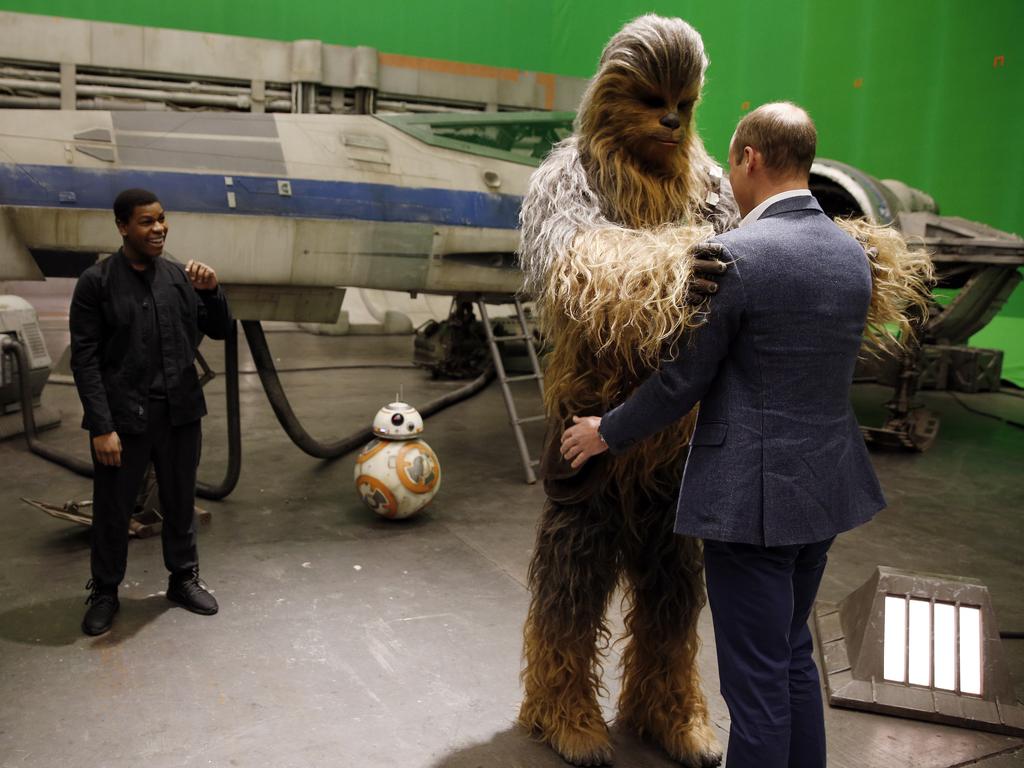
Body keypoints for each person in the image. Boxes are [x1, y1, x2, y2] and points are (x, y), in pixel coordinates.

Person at [560, 102, 888, 768]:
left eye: (731, 167)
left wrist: (605, 432)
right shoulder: (853, 257)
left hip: (753, 504)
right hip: (824, 492)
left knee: (755, 686)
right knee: (792, 655)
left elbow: (683, 384)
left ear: (749, 159)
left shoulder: (733, 258)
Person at [70, 188, 231, 636]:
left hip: (180, 412)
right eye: (146, 221)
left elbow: (219, 330)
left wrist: (213, 290)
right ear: (122, 226)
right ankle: (105, 590)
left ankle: (183, 579)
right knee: (113, 508)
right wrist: (102, 427)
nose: (158, 228)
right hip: (124, 419)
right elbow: (84, 360)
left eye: (161, 219)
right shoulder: (96, 283)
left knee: (179, 501)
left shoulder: (180, 278)